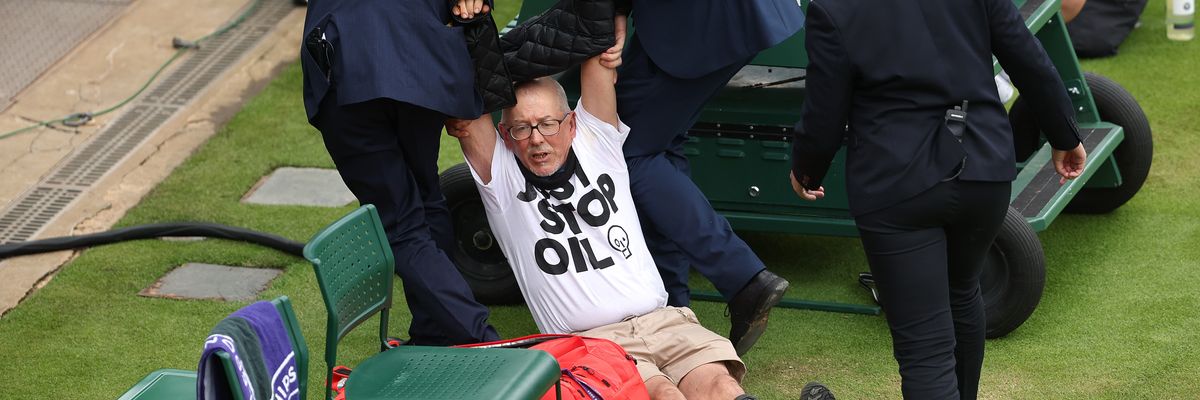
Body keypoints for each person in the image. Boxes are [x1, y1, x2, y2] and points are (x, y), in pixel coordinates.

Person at [446, 18, 835, 400]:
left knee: (722, 387)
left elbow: (594, 36)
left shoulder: (599, 142)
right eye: (521, 128)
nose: (536, 139)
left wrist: (609, 23)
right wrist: (470, 15)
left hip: (664, 319)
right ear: (504, 134)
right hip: (593, 342)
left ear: (572, 124)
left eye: (548, 123)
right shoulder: (500, 176)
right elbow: (469, 87)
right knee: (663, 393)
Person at [790, 0, 1088, 398]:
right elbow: (1027, 57)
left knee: (924, 345)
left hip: (896, 182)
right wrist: (1065, 134)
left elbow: (824, 109)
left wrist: (808, 169)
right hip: (984, 169)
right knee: (962, 292)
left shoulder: (832, 8)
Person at [298, 0, 501, 345]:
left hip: (351, 61)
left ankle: (483, 338)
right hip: (419, 54)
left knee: (401, 224)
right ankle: (435, 332)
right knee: (426, 196)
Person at [614, 0, 808, 357]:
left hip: (701, 16)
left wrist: (615, 10)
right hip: (724, 14)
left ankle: (744, 278)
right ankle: (671, 305)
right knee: (658, 146)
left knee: (627, 151)